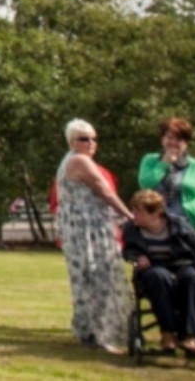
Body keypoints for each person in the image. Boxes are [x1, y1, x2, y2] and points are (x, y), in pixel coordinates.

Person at [53, 119, 132, 355]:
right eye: (84, 139)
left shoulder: (71, 160)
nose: (91, 143)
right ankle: (99, 333)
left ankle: (89, 330)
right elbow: (105, 191)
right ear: (72, 142)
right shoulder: (79, 161)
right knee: (99, 276)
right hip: (87, 229)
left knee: (86, 278)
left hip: (81, 227)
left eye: (93, 138)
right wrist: (129, 216)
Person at [123, 189, 195, 353]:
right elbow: (128, 250)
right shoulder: (131, 229)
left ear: (155, 213)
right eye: (134, 210)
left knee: (192, 278)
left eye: (139, 211)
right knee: (158, 276)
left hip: (184, 265)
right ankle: (168, 333)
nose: (134, 215)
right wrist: (138, 256)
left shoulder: (180, 225)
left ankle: (192, 336)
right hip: (154, 270)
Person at [138, 116, 195, 238]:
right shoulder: (150, 160)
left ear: (186, 143)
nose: (173, 142)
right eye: (169, 137)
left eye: (179, 139)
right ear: (162, 139)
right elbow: (146, 184)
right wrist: (164, 163)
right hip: (161, 226)